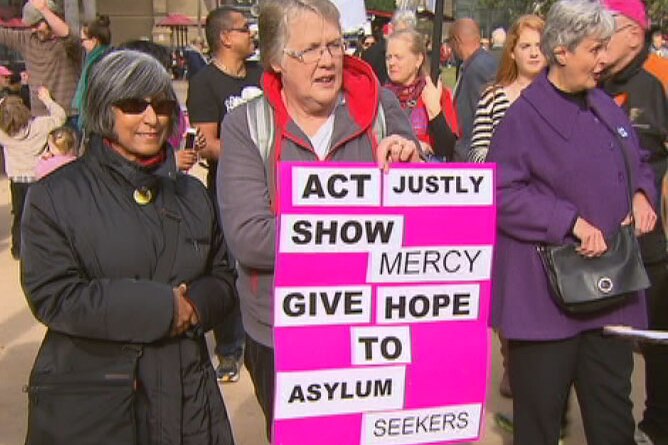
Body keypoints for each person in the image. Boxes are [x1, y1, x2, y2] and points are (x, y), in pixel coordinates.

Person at [218, 0, 421, 438]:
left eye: (336, 44)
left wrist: (410, 159)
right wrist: (362, 231)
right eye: (310, 49)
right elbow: (251, 239)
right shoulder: (246, 126)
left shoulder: (381, 109)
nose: (328, 60)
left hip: (373, 322)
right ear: (276, 60)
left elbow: (420, 221)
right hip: (280, 330)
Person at [21, 50, 237, 445]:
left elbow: (223, 277)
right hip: (95, 405)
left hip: (189, 397)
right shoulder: (55, 195)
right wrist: (165, 309)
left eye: (162, 105)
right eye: (135, 105)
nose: (152, 119)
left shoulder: (193, 195)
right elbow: (54, 295)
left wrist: (194, 308)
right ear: (106, 109)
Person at [486, 1, 657, 444]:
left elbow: (637, 159)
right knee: (540, 423)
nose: (605, 59)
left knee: (613, 420)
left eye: (606, 47)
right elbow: (501, 192)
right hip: (545, 302)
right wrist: (569, 222)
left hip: (610, 294)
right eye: (595, 48)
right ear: (561, 51)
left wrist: (642, 193)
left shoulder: (603, 104)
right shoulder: (524, 117)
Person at [601, 2, 668, 444]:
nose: (600, 37)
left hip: (651, 244)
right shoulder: (588, 80)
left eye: (609, 28)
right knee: (608, 350)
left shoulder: (660, 77)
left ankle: (657, 426)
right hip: (598, 247)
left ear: (635, 34)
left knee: (659, 345)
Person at [186, 6, 262, 384]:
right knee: (232, 267)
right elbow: (207, 145)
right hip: (231, 190)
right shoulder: (204, 84)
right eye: (244, 29)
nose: (251, 34)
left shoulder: (263, 75)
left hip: (273, 189)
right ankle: (230, 349)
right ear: (225, 38)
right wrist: (254, 153)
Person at [469, 15, 546, 164]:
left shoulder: (559, 97)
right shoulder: (492, 98)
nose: (534, 53)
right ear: (512, 52)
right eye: (525, 46)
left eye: (539, 46)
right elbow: (476, 154)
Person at [1, 87, 65, 260]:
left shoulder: (3, 133)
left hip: (17, 180)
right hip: (38, 178)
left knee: (19, 214)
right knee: (41, 216)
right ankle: (41, 250)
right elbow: (60, 116)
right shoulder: (40, 125)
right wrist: (47, 99)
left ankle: (18, 249)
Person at [385, 28, 459, 160]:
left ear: (418, 60)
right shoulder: (380, 97)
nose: (391, 63)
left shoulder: (435, 92)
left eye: (398, 57)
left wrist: (435, 111)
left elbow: (448, 149)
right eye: (388, 57)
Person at [0, 0, 81, 122]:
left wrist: (44, 9)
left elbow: (68, 35)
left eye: (37, 25)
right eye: (31, 26)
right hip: (40, 117)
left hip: (69, 116)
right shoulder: (27, 40)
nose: (33, 30)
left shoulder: (66, 44)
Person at [448, 17, 499, 160]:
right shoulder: (475, 64)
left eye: (450, 42)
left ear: (456, 41)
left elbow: (489, 115)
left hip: (472, 158)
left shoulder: (479, 68)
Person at [72, 14, 111, 131]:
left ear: (94, 40)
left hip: (95, 121)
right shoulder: (93, 58)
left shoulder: (99, 61)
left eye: (83, 40)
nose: (81, 44)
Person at [362, 9, 417, 84]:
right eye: (400, 34)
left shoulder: (417, 56)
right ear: (391, 30)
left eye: (407, 36)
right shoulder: (371, 55)